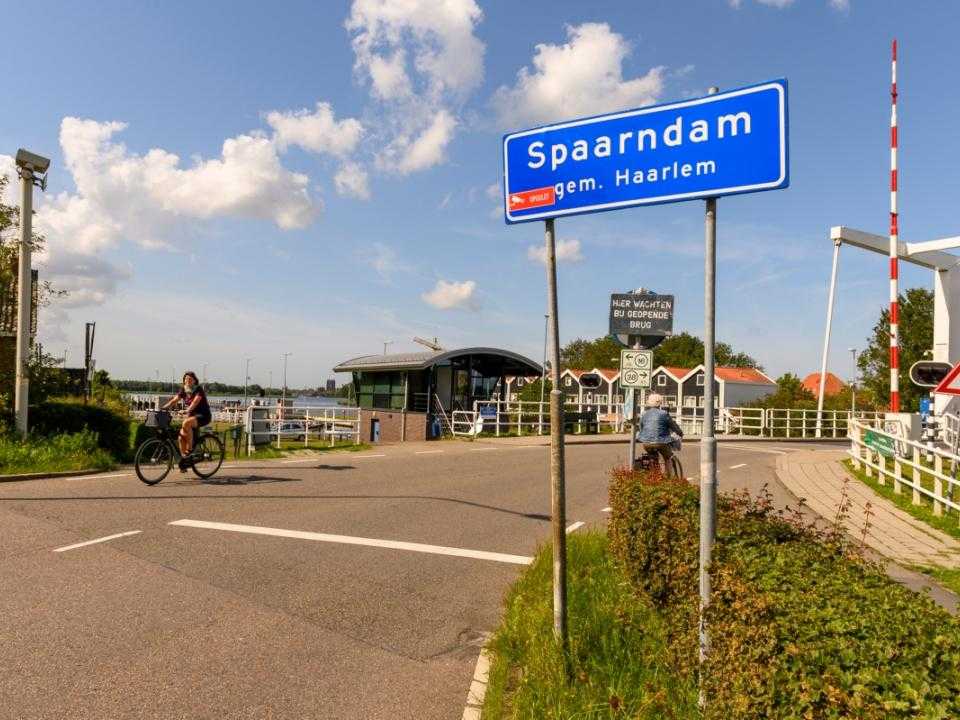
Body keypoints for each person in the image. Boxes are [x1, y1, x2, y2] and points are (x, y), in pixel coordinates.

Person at [162, 371, 212, 470]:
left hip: (203, 416)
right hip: (192, 416)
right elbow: (174, 400)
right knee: (180, 438)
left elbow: (195, 402)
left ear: (194, 381)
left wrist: (186, 410)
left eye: (190, 379)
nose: (188, 381)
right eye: (186, 379)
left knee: (186, 423)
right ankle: (185, 461)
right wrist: (163, 408)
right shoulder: (184, 390)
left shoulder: (198, 389)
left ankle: (190, 450)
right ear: (184, 381)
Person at [636, 392, 683, 477]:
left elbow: (641, 427)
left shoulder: (644, 414)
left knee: (652, 457)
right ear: (659, 403)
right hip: (661, 442)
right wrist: (680, 433)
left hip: (646, 443)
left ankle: (653, 475)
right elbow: (673, 426)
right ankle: (667, 479)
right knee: (667, 458)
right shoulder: (664, 414)